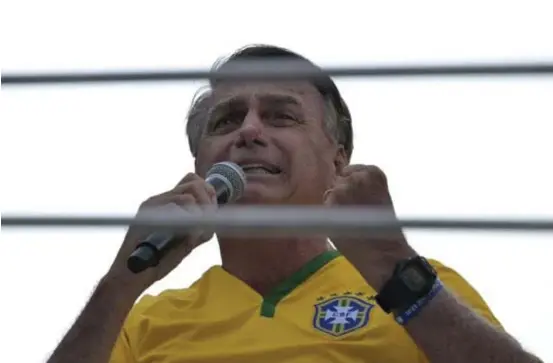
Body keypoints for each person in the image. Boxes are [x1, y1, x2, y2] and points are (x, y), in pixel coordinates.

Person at [47, 45, 542, 363]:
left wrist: (394, 268)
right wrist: (119, 285)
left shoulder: (418, 288)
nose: (249, 132)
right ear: (199, 168)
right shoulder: (143, 321)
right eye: (226, 121)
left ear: (339, 164)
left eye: (281, 116)